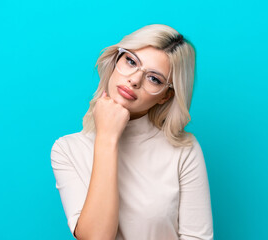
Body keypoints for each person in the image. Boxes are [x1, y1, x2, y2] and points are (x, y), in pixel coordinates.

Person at [50, 24, 214, 240]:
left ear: (165, 96)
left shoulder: (183, 149)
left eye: (154, 79)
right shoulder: (66, 150)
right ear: (116, 60)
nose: (135, 80)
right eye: (131, 61)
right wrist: (107, 139)